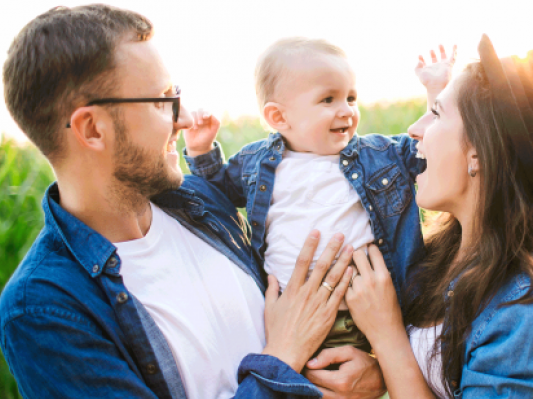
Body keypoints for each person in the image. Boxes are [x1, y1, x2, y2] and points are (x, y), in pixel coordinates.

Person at [0, 5, 384, 399]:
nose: (181, 120)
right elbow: (289, 345)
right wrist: (283, 356)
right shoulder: (44, 309)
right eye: (162, 101)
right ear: (93, 129)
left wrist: (371, 370)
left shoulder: (203, 205)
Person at [335, 34, 533, 399]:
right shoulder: (449, 251)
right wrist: (380, 371)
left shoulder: (532, 306)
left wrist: (386, 336)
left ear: (478, 154)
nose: (413, 130)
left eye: (436, 113)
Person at [182, 38, 447, 353]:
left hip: (367, 311)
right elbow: (215, 193)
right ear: (279, 118)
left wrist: (437, 93)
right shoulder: (258, 163)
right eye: (328, 100)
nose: (346, 110)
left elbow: (429, 154)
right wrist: (200, 150)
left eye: (351, 97)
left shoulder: (378, 155)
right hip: (289, 316)